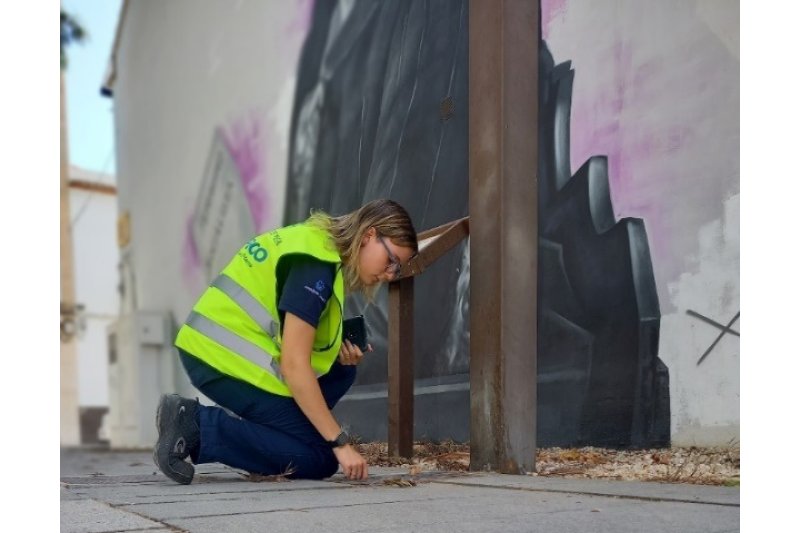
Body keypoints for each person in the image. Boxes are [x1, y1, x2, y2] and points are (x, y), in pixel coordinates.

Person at [154, 199, 418, 484]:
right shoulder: (315, 264)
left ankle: (265, 438)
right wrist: (340, 442)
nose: (390, 274)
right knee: (321, 456)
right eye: (391, 260)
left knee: (342, 373)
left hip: (216, 346)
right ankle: (194, 424)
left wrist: (339, 359)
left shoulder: (318, 245)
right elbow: (293, 365)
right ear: (369, 235)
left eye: (398, 269)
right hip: (215, 355)